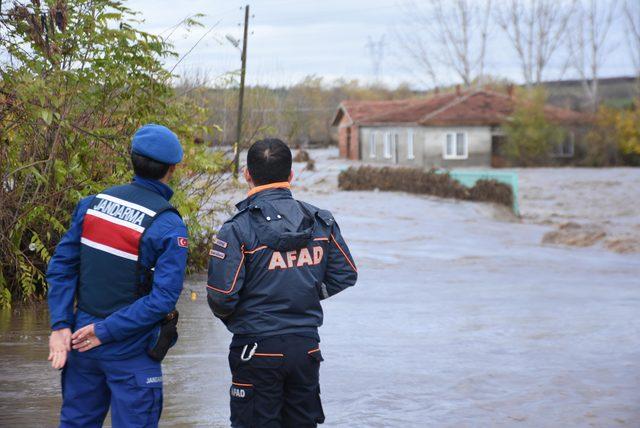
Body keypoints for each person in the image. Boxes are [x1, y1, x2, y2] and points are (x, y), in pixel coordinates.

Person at [206, 138, 358, 427]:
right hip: (306, 348)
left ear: (247, 174)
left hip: (256, 348)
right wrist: (304, 292)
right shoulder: (320, 221)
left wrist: (252, 310)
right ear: (291, 175)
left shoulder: (237, 228)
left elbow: (222, 297)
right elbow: (345, 274)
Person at [46, 124, 189, 427]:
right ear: (172, 168)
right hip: (129, 346)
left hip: (80, 340)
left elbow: (61, 266)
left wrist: (60, 323)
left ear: (132, 159)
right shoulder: (168, 225)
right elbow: (162, 300)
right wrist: (106, 331)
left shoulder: (93, 205)